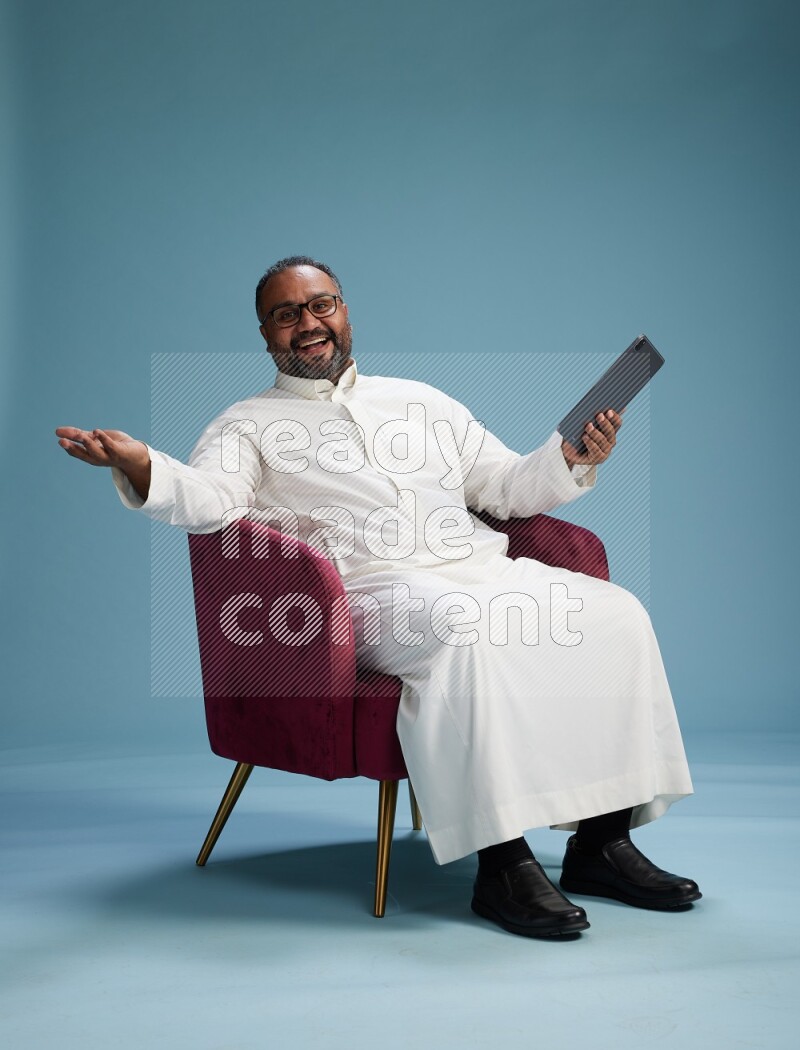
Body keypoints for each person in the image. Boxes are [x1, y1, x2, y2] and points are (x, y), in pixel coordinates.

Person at [56, 255, 701, 939]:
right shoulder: (245, 424)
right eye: (288, 313)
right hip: (366, 598)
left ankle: (601, 844)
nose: (309, 323)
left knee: (615, 615)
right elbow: (212, 502)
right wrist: (141, 464)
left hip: (484, 569)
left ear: (345, 311)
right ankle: (502, 865)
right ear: (266, 334)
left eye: (321, 304)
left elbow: (507, 487)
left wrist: (573, 457)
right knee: (465, 630)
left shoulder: (421, 401)